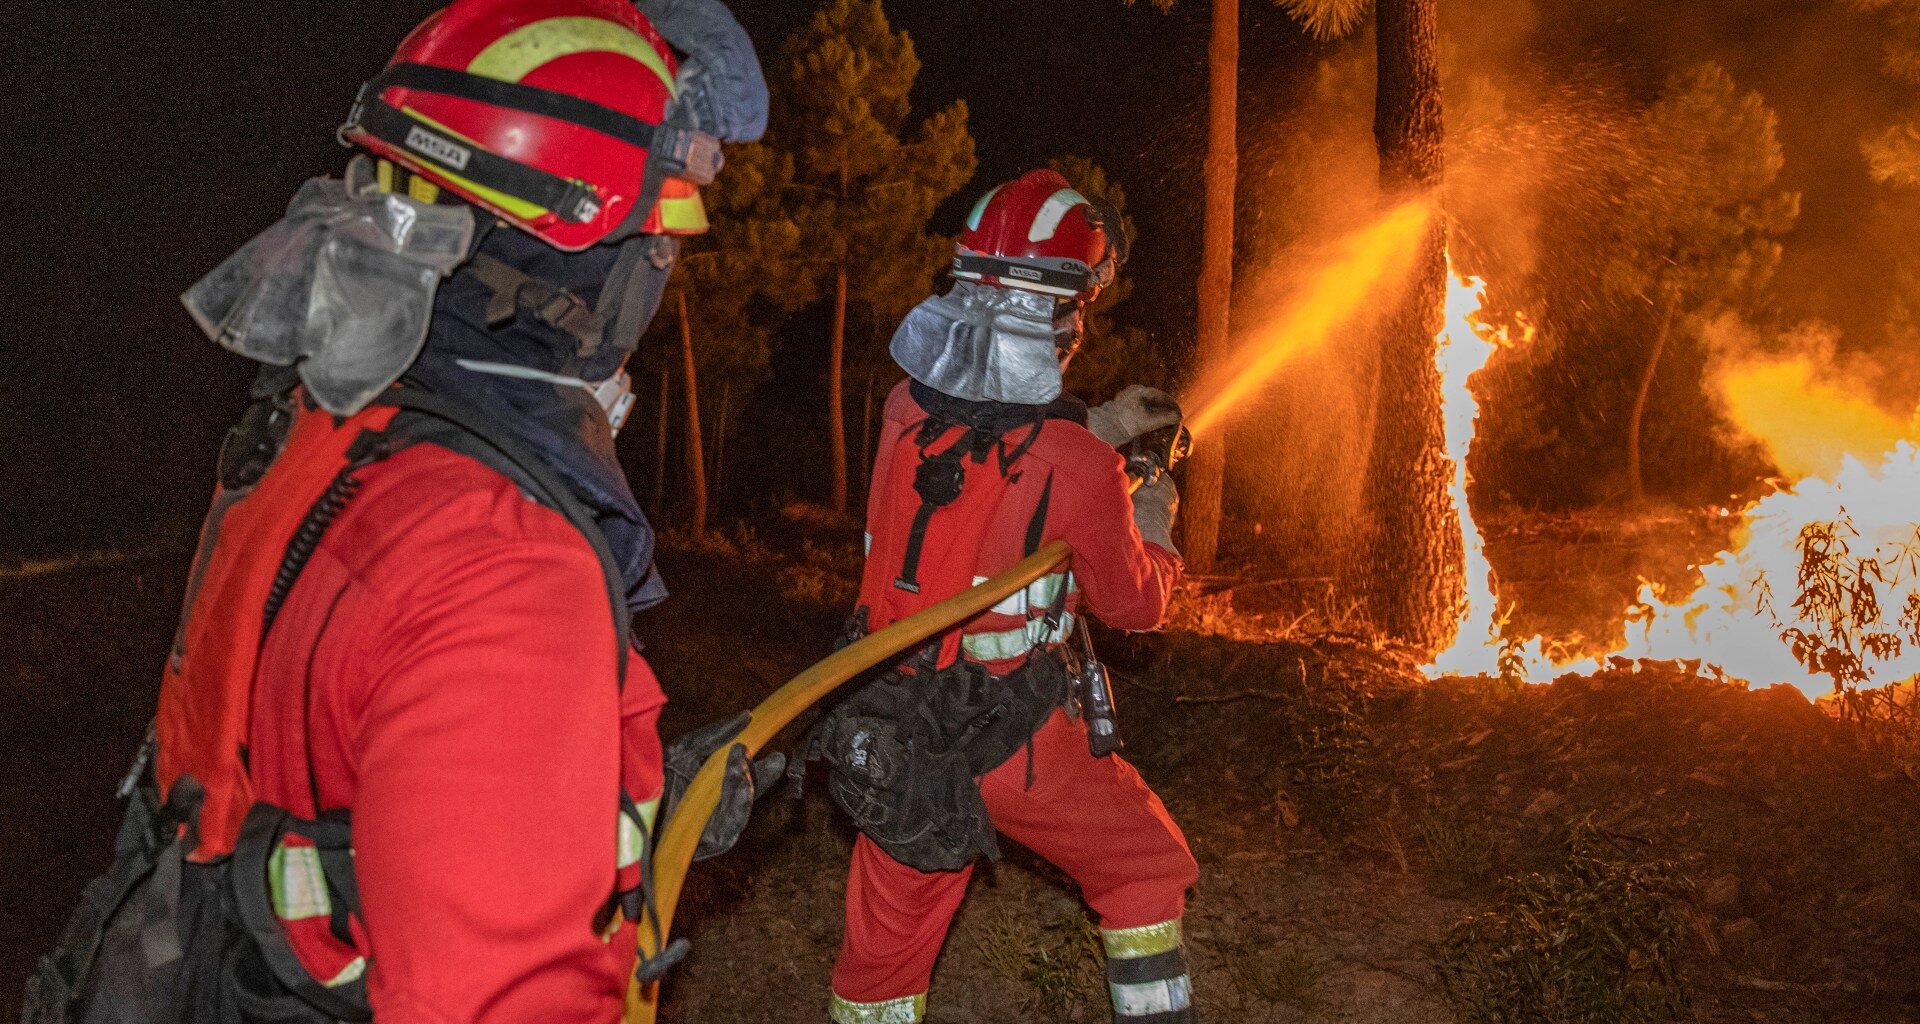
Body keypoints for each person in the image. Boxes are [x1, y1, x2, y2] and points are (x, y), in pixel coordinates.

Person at [23, 2, 771, 1022]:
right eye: (657, 246)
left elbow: (345, 774)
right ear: (595, 264)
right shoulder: (508, 563)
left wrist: (601, 796)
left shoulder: (319, 423)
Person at [815, 168, 1199, 1024]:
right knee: (1143, 867)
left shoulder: (900, 412)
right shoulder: (1077, 464)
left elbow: (988, 452)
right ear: (1064, 315)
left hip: (894, 729)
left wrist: (1095, 430)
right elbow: (1137, 605)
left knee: (882, 963)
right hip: (1015, 745)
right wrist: (1155, 513)